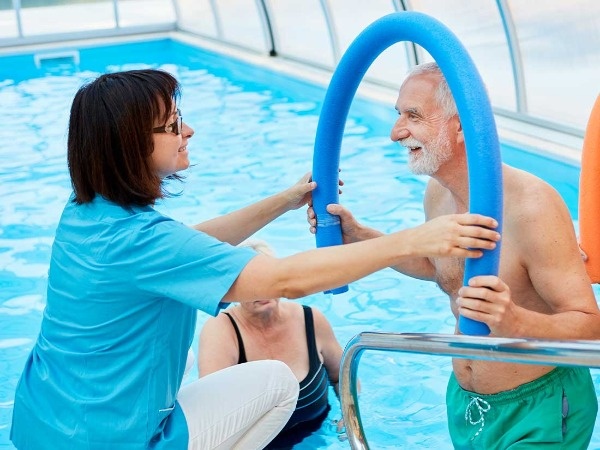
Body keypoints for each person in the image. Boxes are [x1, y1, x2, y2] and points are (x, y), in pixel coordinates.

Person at [9, 68, 500, 450]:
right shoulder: (140, 242)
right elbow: (282, 279)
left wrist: (284, 200)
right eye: (174, 124)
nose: (190, 130)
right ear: (131, 146)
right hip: (111, 439)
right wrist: (417, 239)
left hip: (45, 422)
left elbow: (188, 246)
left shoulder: (88, 213)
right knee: (275, 383)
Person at [307, 62, 600, 449]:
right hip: (466, 403)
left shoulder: (533, 206)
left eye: (413, 116)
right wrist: (361, 237)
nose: (396, 132)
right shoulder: (439, 193)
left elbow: (590, 326)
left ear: (461, 125)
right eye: (399, 115)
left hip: (538, 409)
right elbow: (439, 269)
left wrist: (514, 319)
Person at [198, 238, 345, 449]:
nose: (261, 290)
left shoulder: (311, 319)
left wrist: (349, 416)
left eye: (268, 279)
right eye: (250, 283)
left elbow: (342, 377)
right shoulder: (221, 331)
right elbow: (212, 412)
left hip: (319, 435)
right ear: (232, 290)